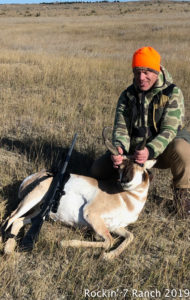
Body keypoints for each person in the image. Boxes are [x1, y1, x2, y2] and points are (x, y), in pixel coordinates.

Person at [91, 46, 190, 218]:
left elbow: (169, 130)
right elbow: (120, 128)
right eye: (137, 72)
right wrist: (119, 150)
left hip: (162, 151)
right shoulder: (127, 95)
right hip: (133, 154)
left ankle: (183, 202)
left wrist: (150, 151)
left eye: (147, 72)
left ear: (157, 71)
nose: (141, 78)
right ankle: (124, 186)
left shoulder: (173, 93)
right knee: (97, 170)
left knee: (182, 149)